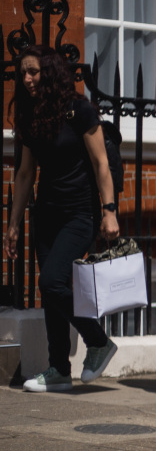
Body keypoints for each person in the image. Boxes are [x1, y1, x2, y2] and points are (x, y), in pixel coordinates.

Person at [3, 44, 120, 392]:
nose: (26, 79)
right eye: (22, 72)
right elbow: (25, 174)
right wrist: (12, 225)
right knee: (52, 293)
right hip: (47, 214)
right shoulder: (29, 115)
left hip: (79, 213)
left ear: (50, 72)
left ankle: (98, 341)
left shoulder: (79, 111)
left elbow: (101, 163)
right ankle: (58, 369)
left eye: (33, 72)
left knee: (51, 282)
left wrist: (109, 211)